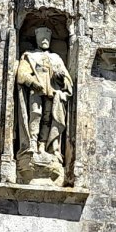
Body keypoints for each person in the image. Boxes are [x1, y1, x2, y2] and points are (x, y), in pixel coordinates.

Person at [15, 27, 73, 163]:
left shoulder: (56, 58)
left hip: (51, 91)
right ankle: (32, 143)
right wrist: (32, 82)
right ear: (37, 39)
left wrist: (61, 78)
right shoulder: (29, 55)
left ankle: (43, 145)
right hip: (36, 90)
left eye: (47, 39)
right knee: (35, 114)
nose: (45, 41)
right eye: (42, 39)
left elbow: (67, 80)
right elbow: (21, 74)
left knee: (48, 117)